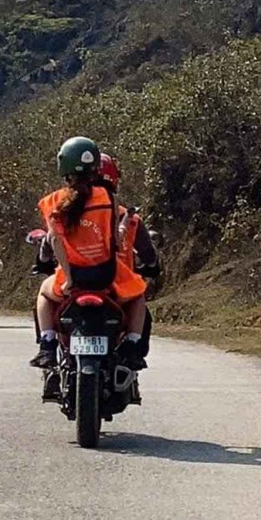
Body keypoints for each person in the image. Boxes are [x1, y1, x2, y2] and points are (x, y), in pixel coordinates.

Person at [30, 137, 148, 370]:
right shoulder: (109, 199)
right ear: (95, 167)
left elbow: (55, 240)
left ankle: (47, 344)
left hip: (72, 279)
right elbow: (116, 240)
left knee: (44, 295)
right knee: (138, 296)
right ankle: (133, 346)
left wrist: (70, 278)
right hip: (107, 277)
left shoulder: (53, 201)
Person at [101, 153, 159, 363]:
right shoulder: (130, 219)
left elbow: (52, 243)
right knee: (140, 304)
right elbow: (148, 254)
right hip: (118, 287)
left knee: (45, 304)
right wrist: (152, 266)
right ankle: (133, 351)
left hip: (75, 283)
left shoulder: (68, 210)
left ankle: (49, 349)